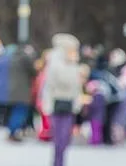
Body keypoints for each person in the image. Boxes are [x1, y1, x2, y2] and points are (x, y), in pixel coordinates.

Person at [41, 34, 82, 166]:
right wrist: (47, 104)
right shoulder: (54, 65)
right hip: (56, 103)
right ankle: (57, 162)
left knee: (65, 137)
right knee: (59, 136)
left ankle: (60, 161)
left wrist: (77, 103)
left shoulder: (74, 65)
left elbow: (77, 87)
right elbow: (49, 86)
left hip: (69, 104)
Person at [6, 45, 36, 142]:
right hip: (22, 90)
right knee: (20, 111)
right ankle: (14, 131)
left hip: (13, 89)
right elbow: (33, 72)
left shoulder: (13, 58)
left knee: (15, 111)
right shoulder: (25, 59)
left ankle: (12, 131)